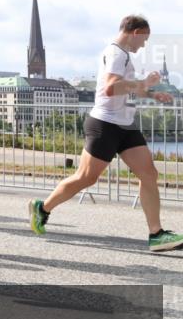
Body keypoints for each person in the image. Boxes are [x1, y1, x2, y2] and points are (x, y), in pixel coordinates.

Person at [29, 15, 182, 252]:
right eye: (144, 39)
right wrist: (143, 82)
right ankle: (42, 208)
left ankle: (156, 234)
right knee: (86, 178)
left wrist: (151, 94)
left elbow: (124, 92)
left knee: (149, 174)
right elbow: (111, 87)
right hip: (105, 124)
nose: (144, 45)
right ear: (135, 32)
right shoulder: (115, 54)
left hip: (125, 126)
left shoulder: (124, 57)